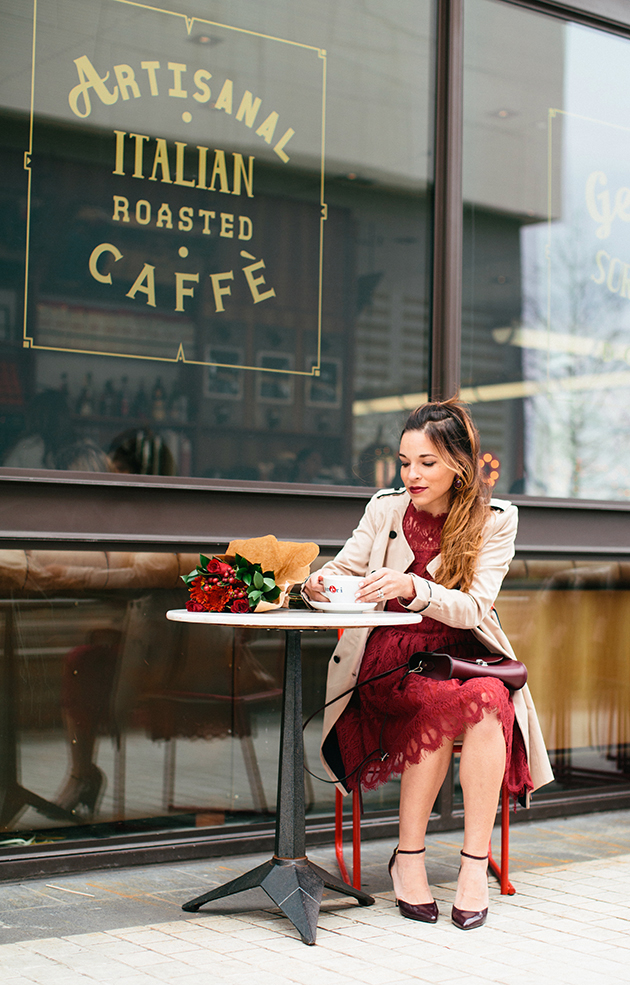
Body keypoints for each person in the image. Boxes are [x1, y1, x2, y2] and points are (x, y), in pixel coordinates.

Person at [303, 398, 553, 930]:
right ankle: (410, 856)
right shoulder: (385, 509)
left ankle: (469, 865)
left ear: (459, 464)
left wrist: (415, 588)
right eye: (404, 462)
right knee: (463, 703)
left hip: (455, 662)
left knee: (485, 699)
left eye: (427, 463)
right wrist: (317, 583)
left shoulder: (493, 521)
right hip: (389, 664)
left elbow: (474, 608)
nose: (411, 475)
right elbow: (343, 567)